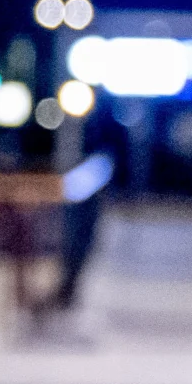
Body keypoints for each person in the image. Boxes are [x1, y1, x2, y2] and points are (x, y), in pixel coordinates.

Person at [53, 100, 130, 311]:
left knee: (80, 244)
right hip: (71, 197)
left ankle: (69, 289)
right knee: (71, 243)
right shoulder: (71, 123)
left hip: (87, 198)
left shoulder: (106, 126)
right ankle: (65, 289)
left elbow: (113, 160)